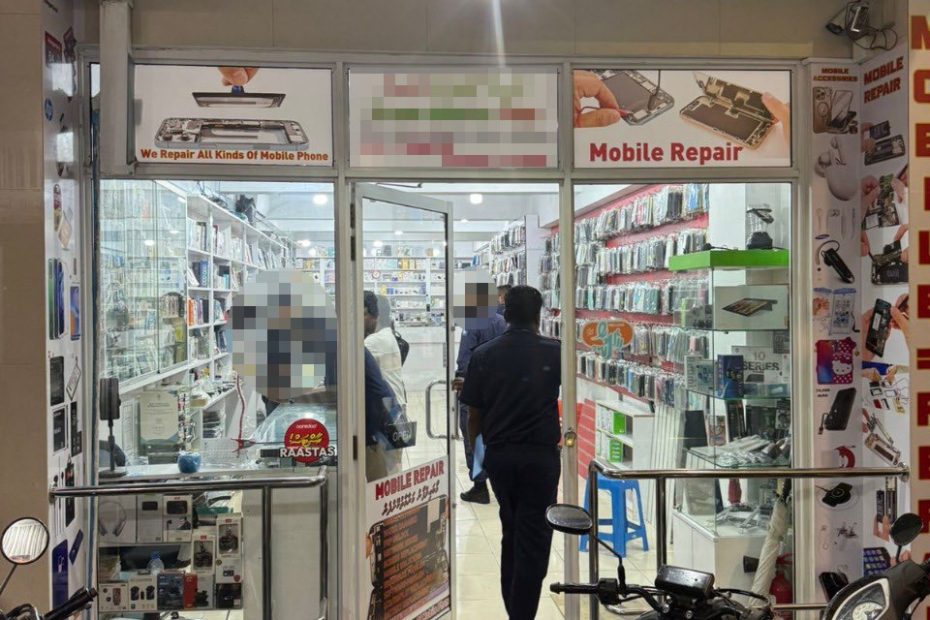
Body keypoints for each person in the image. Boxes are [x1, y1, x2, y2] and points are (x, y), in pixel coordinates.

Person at [459, 285, 562, 620]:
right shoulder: (555, 352)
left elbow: (473, 417)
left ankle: (515, 608)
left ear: (506, 314)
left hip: (500, 456)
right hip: (540, 458)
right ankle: (521, 613)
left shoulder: (484, 354)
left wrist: (480, 463)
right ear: (538, 315)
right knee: (535, 534)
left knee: (511, 529)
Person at [453, 281, 506, 504]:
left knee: (472, 438)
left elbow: (465, 359)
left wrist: (461, 380)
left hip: (475, 390)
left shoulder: (472, 324)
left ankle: (480, 486)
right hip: (498, 391)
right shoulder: (502, 321)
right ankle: (497, 481)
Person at [364, 292, 407, 409]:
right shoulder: (388, 334)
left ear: (375, 315)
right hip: (397, 402)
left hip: (387, 406)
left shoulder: (373, 341)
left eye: (364, 314)